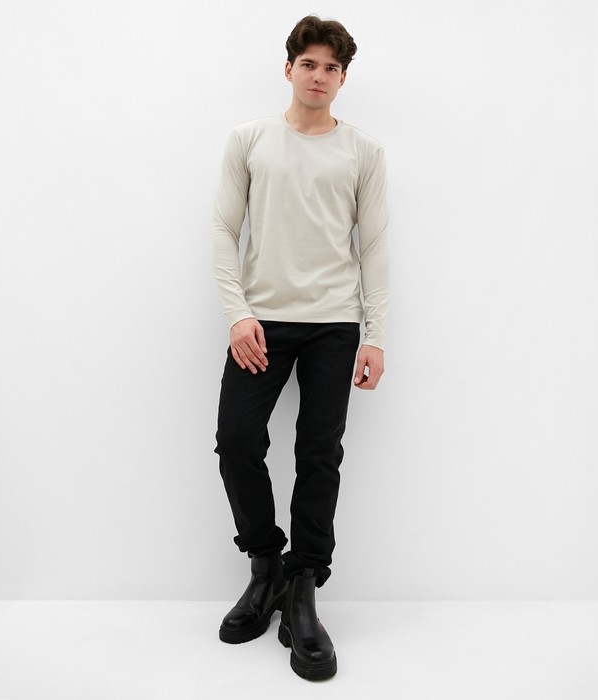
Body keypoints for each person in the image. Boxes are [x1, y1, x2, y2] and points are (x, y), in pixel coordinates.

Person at [212, 14, 389, 681]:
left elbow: (374, 245)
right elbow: (223, 229)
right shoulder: (250, 140)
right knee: (236, 441)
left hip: (333, 326)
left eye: (331, 68)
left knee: (319, 455)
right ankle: (266, 567)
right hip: (260, 323)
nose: (319, 76)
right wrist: (238, 315)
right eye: (308, 64)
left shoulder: (362, 152)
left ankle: (304, 586)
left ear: (343, 78)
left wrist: (374, 335)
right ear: (288, 69)